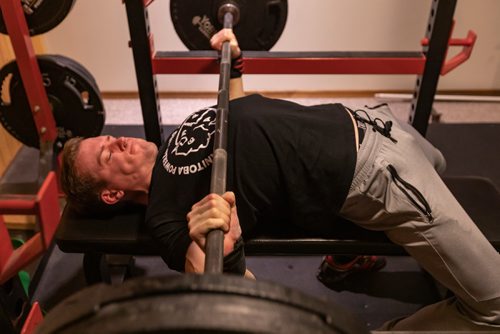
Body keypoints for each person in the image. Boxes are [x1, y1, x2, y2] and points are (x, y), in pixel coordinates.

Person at [60, 29, 500, 331]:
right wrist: (225, 252)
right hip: (376, 173)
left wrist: (233, 64)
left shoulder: (175, 138)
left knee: (440, 167)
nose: (120, 139)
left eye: (111, 135)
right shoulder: (166, 216)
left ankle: (351, 259)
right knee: (495, 308)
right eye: (107, 153)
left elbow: (240, 114)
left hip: (372, 122)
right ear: (113, 193)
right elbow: (214, 280)